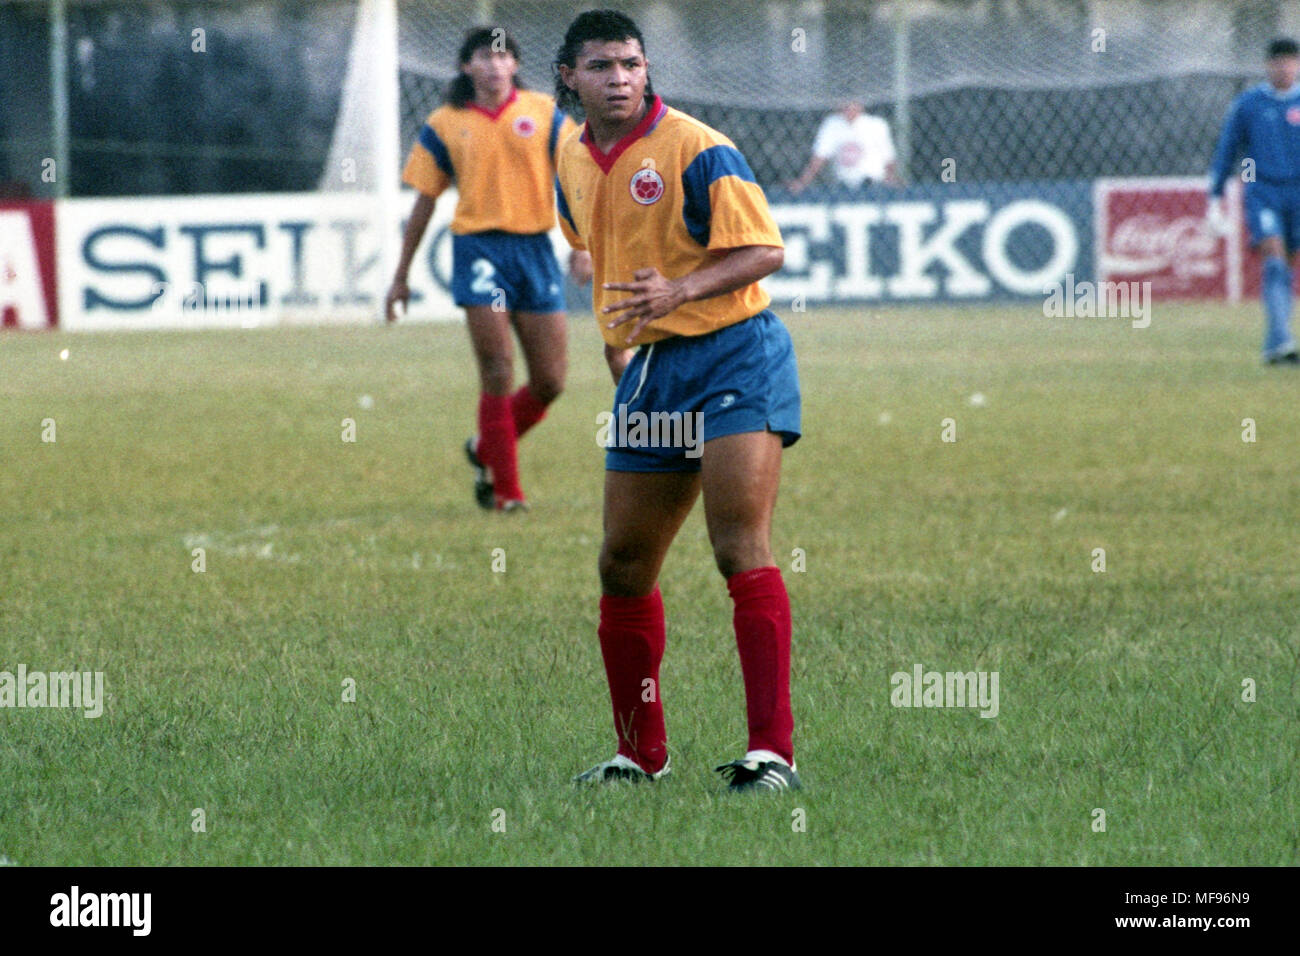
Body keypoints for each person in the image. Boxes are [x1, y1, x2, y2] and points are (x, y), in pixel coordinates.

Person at [554, 10, 802, 793]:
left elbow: (766, 249)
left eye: (630, 63)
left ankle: (772, 755)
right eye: (601, 66)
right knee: (622, 566)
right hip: (656, 372)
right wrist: (619, 346)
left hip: (737, 353)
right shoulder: (568, 156)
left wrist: (680, 290)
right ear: (570, 77)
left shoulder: (696, 147)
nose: (619, 78)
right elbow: (599, 253)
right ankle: (641, 756)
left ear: (647, 66)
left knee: (738, 546)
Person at [386, 26, 593, 511]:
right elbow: (423, 203)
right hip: (477, 251)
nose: (496, 65)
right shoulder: (445, 121)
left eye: (504, 56)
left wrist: (582, 245)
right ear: (466, 67)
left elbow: (577, 180)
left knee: (550, 381)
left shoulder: (544, 113)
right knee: (498, 368)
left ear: (515, 65)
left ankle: (485, 449)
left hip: (535, 251)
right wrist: (401, 275)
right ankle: (507, 494)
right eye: (485, 56)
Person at [1209, 37, 1300, 365]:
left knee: (1288, 266)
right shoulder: (1250, 104)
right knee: (1274, 262)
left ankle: (1275, 342)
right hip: (1262, 191)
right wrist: (1215, 197)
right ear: (1268, 65)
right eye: (1278, 62)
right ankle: (1282, 341)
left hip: (1298, 194)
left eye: (1290, 61)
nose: (1284, 68)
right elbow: (1227, 150)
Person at [786, 99, 903, 194]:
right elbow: (819, 157)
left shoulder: (876, 125)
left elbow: (888, 158)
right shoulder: (832, 124)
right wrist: (802, 182)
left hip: (873, 184)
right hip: (845, 186)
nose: (849, 109)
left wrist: (891, 179)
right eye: (845, 104)